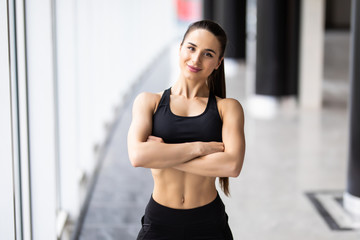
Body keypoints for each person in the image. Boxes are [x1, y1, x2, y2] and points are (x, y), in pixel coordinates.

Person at [127, 20, 245, 240]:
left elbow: (231, 165)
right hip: (160, 223)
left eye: (208, 54)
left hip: (209, 223)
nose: (196, 59)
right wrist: (199, 147)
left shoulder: (227, 108)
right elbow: (138, 155)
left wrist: (162, 155)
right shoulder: (148, 102)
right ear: (180, 47)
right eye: (191, 48)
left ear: (218, 63)